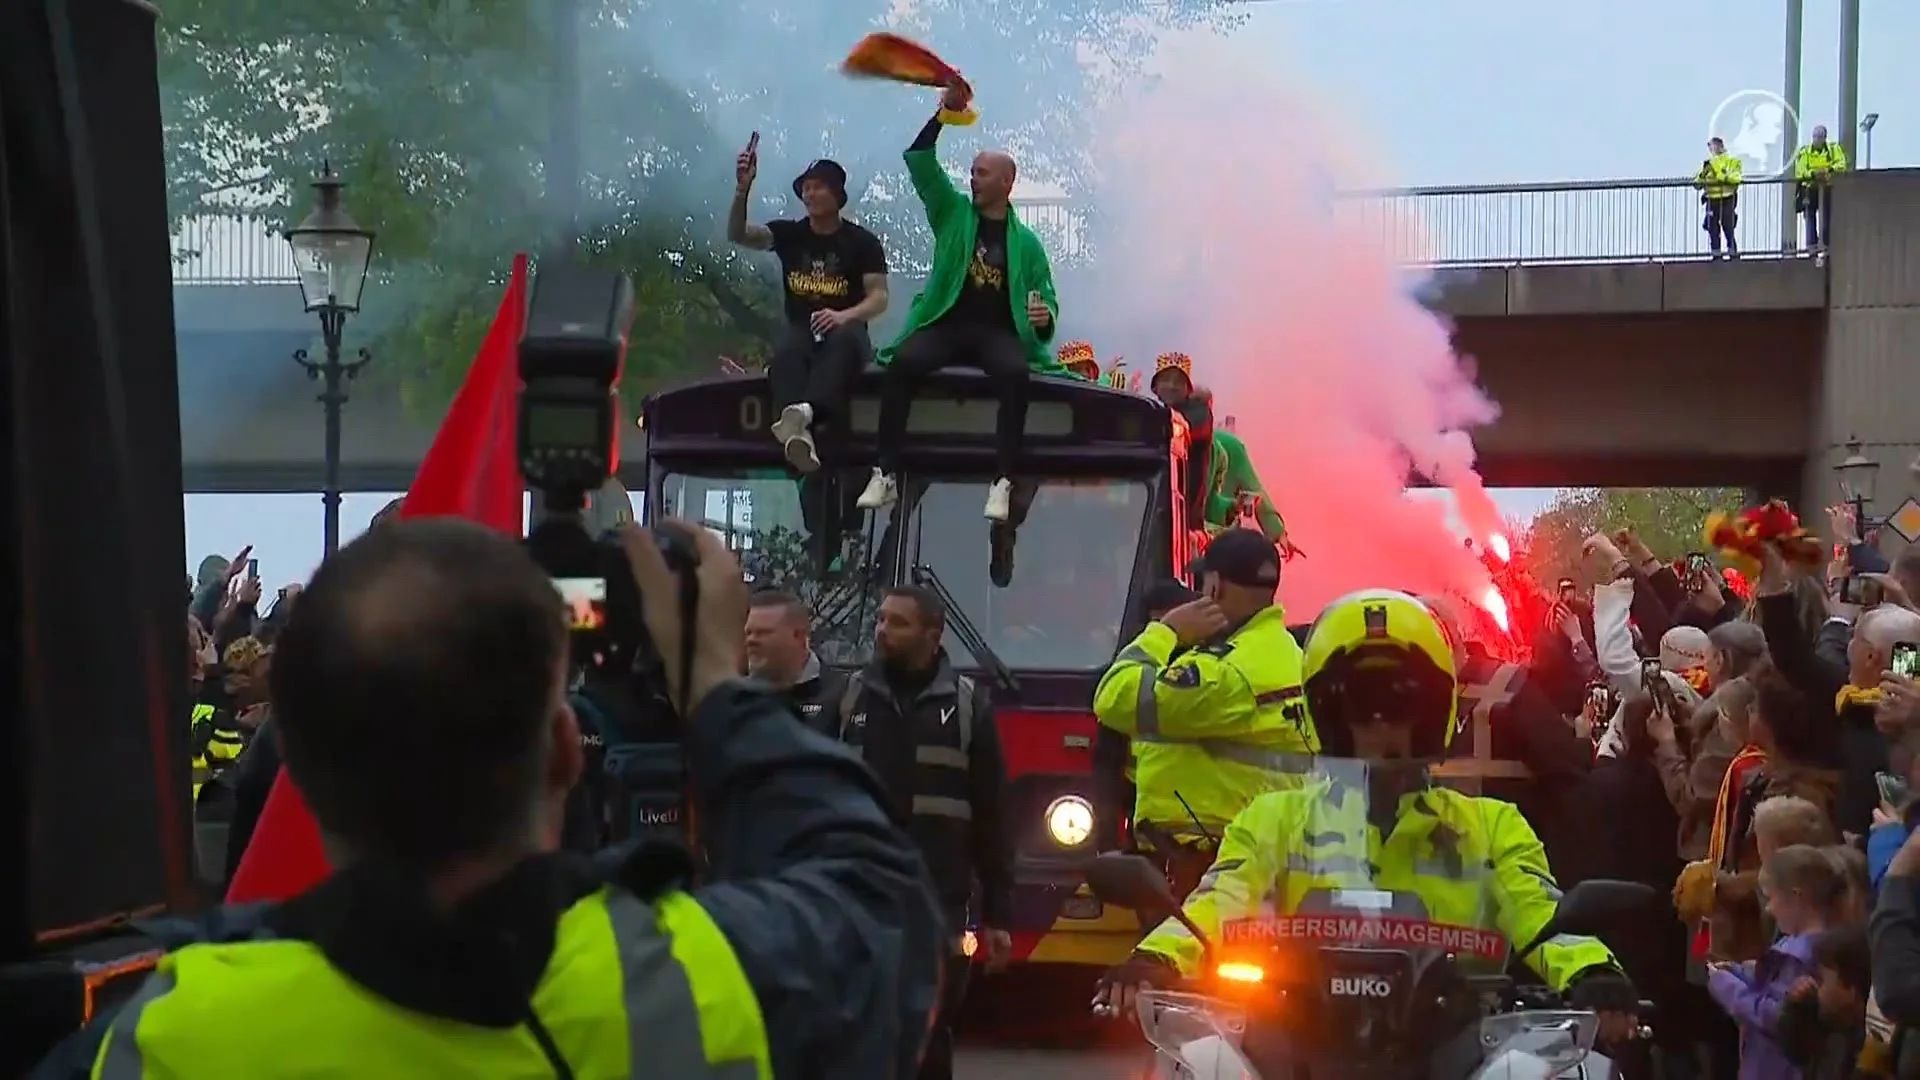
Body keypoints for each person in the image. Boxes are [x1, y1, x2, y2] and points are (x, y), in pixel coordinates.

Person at [34, 517, 943, 1078]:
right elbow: (881, 896)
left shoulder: (160, 1040)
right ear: (562, 750)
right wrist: (714, 679)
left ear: (297, 777)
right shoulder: (706, 988)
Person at [1094, 589, 1640, 1043]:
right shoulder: (1272, 818)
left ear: (1432, 716)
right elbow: (1219, 899)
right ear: (1329, 716)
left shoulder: (1492, 825)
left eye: (1399, 704)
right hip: (1292, 1041)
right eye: (1360, 705)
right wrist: (1156, 958)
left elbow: (1541, 915)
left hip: (1456, 1044)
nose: (1380, 726)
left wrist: (1594, 970)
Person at [857, 79, 1064, 523]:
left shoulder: (1027, 244)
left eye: (982, 172)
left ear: (1008, 182)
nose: (972, 178)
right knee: (903, 366)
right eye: (971, 171)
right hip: (945, 326)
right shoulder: (951, 213)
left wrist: (1044, 317)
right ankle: (886, 471)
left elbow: (1045, 299)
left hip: (997, 334)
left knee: (1014, 373)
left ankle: (1003, 480)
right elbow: (919, 161)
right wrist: (942, 115)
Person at [829, 584, 1014, 1080]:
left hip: (939, 903)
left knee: (930, 1033)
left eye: (898, 622)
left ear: (933, 634)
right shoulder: (847, 700)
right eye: (882, 619)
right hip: (859, 897)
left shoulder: (968, 708)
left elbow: (993, 813)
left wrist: (998, 915)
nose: (883, 630)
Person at [1092, 528, 1315, 898]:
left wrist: (1165, 632)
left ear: (1215, 588)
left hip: (1210, 865)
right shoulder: (1287, 656)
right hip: (1260, 855)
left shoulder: (1221, 671)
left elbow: (1113, 697)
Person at [728, 143, 889, 473]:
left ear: (837, 195)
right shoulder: (790, 234)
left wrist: (843, 315)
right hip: (802, 329)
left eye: (817, 187)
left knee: (843, 343)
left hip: (848, 330)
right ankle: (799, 430)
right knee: (785, 352)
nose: (809, 194)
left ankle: (804, 413)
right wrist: (742, 190)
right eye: (805, 188)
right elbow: (739, 235)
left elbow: (879, 297)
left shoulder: (863, 242)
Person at [1708, 844, 1849, 1080]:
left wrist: (1728, 987)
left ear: (1796, 896)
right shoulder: (1794, 944)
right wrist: (1738, 972)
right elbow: (1770, 990)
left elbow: (1778, 1017)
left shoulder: (1805, 954)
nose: (1768, 907)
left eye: (1772, 897)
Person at [743, 587, 846, 734]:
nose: (751, 641)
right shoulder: (736, 696)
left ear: (798, 636)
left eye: (763, 633)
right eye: (748, 633)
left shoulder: (842, 694)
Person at [1793, 125, 1849, 254]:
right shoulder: (1805, 151)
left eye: (1819, 137)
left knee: (1827, 216)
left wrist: (1828, 170)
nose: (1817, 139)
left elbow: (1841, 164)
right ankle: (1812, 245)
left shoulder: (1833, 149)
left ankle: (1826, 244)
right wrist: (1813, 174)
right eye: (1815, 137)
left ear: (1825, 138)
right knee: (1810, 215)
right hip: (1810, 187)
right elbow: (1800, 171)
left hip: (1826, 187)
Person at [1696, 136, 1744, 259]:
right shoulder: (1707, 164)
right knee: (1712, 228)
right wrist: (1703, 174)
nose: (1711, 150)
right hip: (1712, 200)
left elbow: (1736, 178)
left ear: (1719, 146)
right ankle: (1716, 254)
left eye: (1712, 147)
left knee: (1728, 226)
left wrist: (1719, 172)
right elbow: (1697, 184)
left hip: (1727, 198)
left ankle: (1732, 253)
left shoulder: (1732, 161)